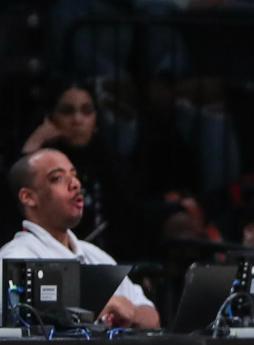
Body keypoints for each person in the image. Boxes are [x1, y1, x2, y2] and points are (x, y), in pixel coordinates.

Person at [0, 149, 159, 329]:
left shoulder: (95, 255)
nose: (75, 184)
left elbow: (152, 318)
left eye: (74, 175)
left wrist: (131, 313)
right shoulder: (15, 257)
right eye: (57, 178)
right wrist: (93, 308)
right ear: (28, 197)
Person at [20, 79, 140, 262]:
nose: (77, 120)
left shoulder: (112, 163)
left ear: (96, 119)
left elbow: (128, 221)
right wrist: (34, 145)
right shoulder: (18, 251)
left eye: (86, 111)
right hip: (49, 263)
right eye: (67, 111)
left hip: (103, 263)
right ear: (51, 117)